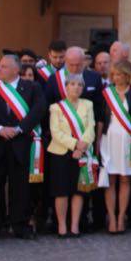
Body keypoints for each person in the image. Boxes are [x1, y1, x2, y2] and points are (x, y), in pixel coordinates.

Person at [0, 54, 46, 239]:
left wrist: (19, 129)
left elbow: (39, 109)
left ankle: (20, 225)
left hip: (20, 144)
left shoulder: (32, 87)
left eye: (4, 66)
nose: (0, 69)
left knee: (21, 188)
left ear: (17, 70)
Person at [99, 60, 131, 234]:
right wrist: (98, 143)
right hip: (110, 138)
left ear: (127, 75)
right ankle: (111, 218)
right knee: (110, 179)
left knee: (126, 179)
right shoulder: (107, 93)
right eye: (114, 74)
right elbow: (101, 121)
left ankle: (122, 217)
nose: (116, 77)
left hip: (129, 139)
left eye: (119, 74)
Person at [47, 72, 96, 238]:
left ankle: (74, 226)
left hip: (81, 153)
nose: (77, 87)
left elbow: (91, 128)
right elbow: (55, 132)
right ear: (66, 87)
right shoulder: (56, 107)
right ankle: (62, 226)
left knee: (78, 191)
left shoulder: (88, 105)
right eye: (73, 84)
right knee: (61, 191)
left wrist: (81, 148)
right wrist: (75, 144)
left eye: (80, 85)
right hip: (61, 153)